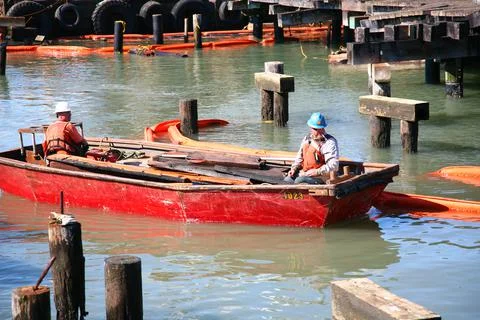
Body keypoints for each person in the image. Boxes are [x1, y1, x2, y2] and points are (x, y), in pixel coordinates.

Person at [284, 112, 339, 184]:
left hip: (321, 176)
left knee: (299, 180)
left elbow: (333, 166)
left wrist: (317, 171)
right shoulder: (306, 139)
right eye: (315, 129)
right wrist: (294, 168)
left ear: (323, 128)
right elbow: (299, 158)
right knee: (287, 180)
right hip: (305, 174)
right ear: (310, 127)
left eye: (319, 129)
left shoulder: (329, 142)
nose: (318, 131)